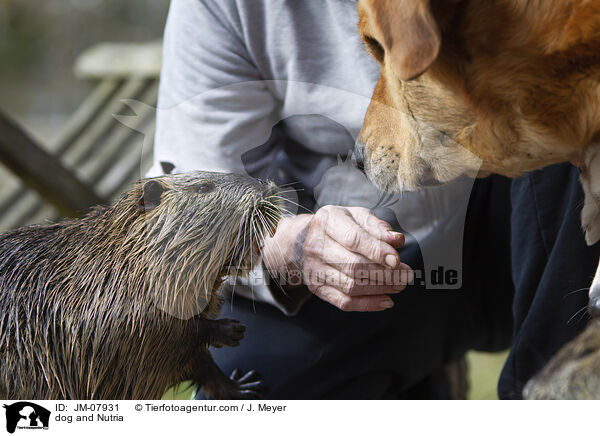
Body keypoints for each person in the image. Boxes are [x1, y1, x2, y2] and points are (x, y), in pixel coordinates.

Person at [150, 0, 514, 399]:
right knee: (243, 394)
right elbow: (195, 199)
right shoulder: (219, 8)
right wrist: (296, 245)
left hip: (510, 213)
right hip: (346, 259)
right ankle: (418, 377)